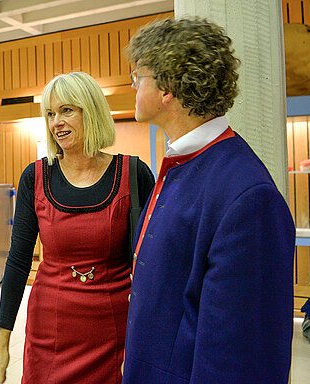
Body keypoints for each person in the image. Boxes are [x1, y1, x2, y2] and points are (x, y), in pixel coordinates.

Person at [122, 18, 296, 384]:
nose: (134, 87)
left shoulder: (248, 196)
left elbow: (243, 358)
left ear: (167, 87)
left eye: (139, 77)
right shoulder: (186, 164)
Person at [0, 71, 155, 383]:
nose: (56, 123)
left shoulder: (133, 174)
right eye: (50, 114)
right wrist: (2, 343)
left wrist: (144, 344)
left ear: (90, 111)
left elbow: (152, 265)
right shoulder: (35, 177)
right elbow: (19, 260)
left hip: (115, 332)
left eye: (67, 110)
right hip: (49, 332)